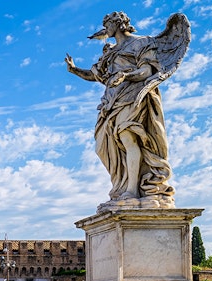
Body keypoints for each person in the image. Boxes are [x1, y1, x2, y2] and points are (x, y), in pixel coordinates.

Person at [65, 12, 189, 210]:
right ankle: (122, 188)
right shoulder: (110, 51)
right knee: (102, 147)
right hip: (111, 102)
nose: (106, 29)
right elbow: (97, 75)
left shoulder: (141, 43)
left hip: (133, 95)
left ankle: (132, 191)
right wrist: (74, 70)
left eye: (108, 24)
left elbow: (147, 71)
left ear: (118, 23)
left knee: (128, 137)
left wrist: (125, 76)